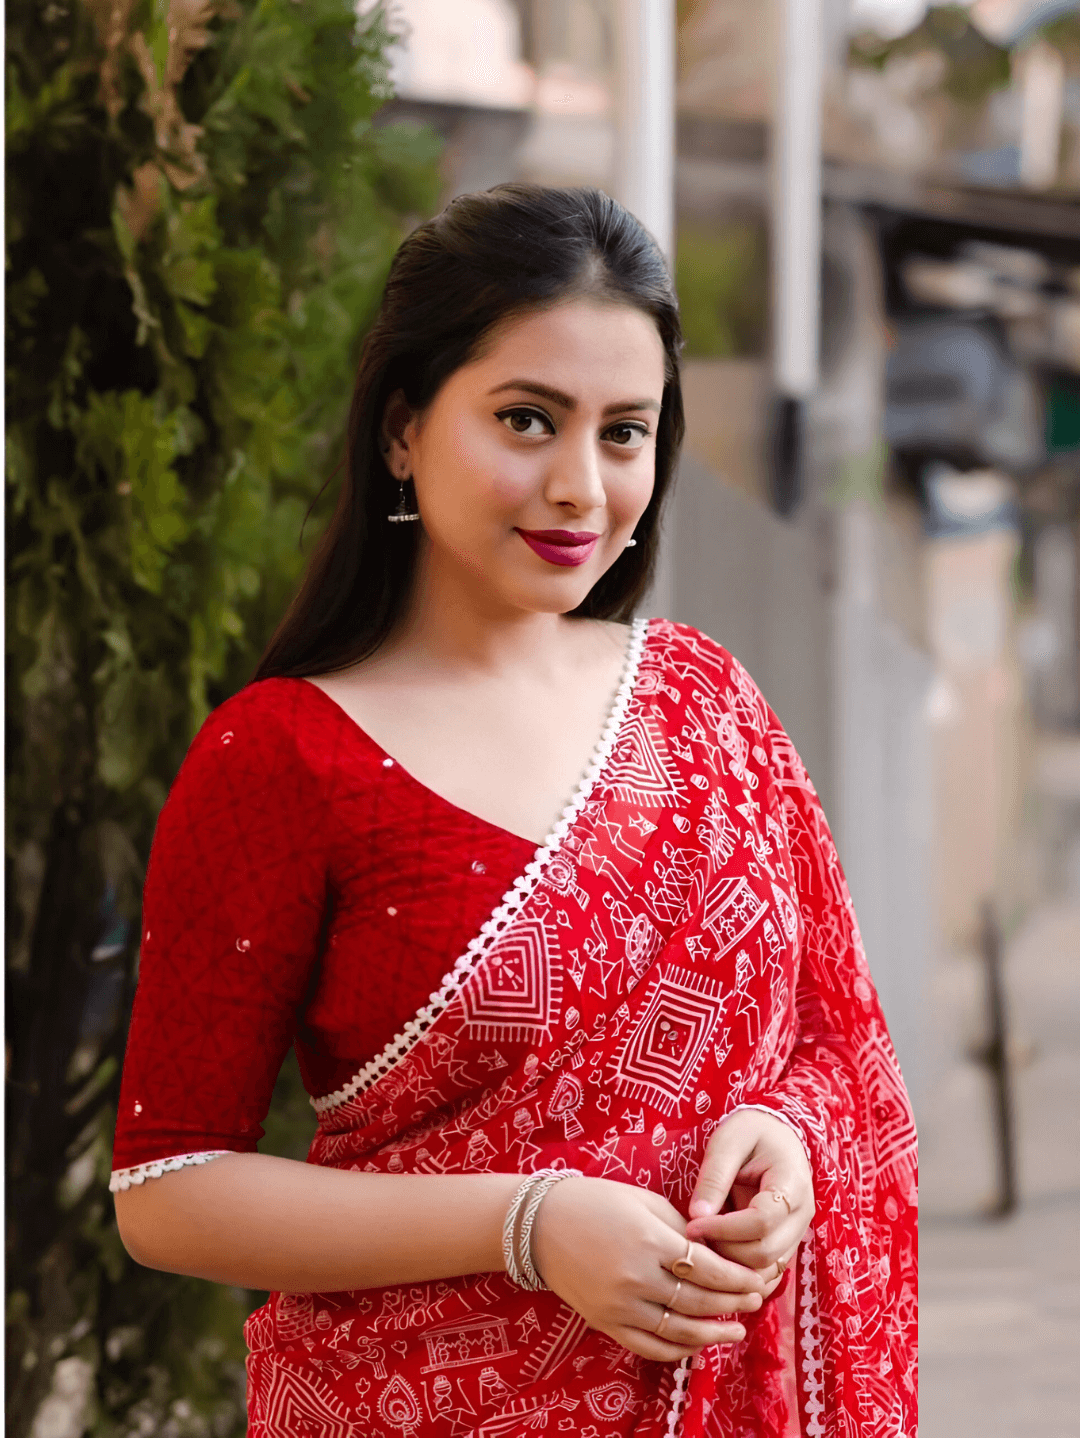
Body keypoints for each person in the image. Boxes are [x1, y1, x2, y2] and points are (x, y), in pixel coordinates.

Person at [111, 185, 917, 1438]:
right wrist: (530, 1223)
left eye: (624, 432)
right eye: (527, 420)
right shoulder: (282, 758)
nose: (581, 487)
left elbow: (833, 1038)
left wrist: (788, 1140)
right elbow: (168, 1191)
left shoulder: (706, 703)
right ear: (402, 430)